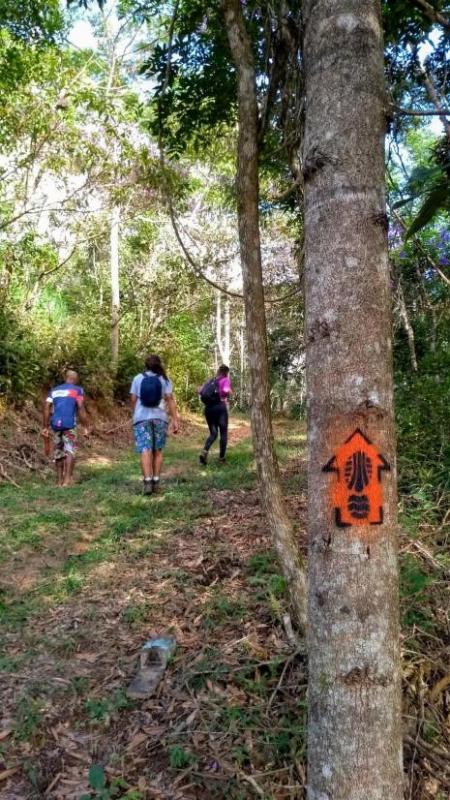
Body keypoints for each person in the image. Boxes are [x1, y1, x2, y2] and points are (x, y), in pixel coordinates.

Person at [130, 354, 179, 495]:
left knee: (145, 449)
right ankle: (156, 481)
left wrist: (135, 413)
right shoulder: (165, 379)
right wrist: (175, 420)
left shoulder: (137, 378)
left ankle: (147, 482)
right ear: (159, 365)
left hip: (141, 418)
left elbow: (133, 399)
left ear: (146, 365)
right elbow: (170, 399)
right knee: (158, 450)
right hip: (160, 418)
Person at [42, 369, 88, 487]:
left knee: (58, 451)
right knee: (69, 451)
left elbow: (46, 407)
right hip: (69, 425)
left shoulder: (54, 390)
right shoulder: (78, 390)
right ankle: (67, 480)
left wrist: (45, 426)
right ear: (75, 379)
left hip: (56, 425)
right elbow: (81, 407)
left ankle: (58, 481)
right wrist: (86, 426)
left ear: (66, 378)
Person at [199, 365, 232, 465]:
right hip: (220, 408)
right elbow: (226, 391)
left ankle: (204, 451)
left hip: (208, 409)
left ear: (218, 371)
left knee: (213, 433)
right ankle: (221, 459)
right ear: (226, 372)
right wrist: (229, 392)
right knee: (223, 433)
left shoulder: (211, 381)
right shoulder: (225, 379)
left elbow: (200, 391)